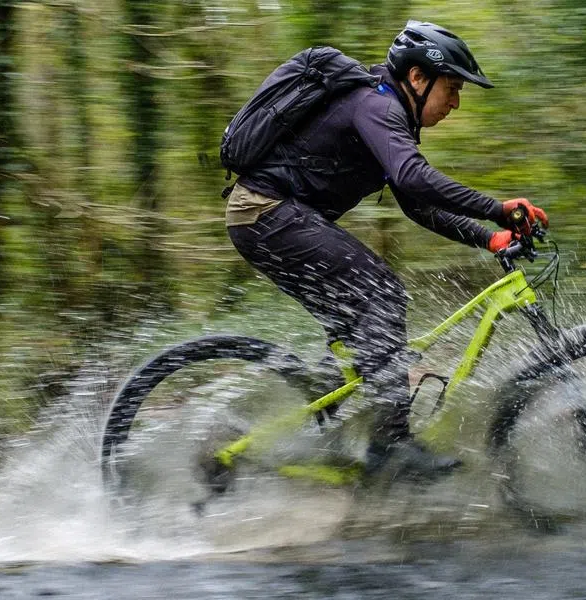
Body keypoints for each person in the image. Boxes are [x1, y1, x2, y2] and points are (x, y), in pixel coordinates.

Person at [226, 20, 549, 478]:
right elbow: (413, 176)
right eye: (452, 88)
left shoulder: (382, 112)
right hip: (267, 213)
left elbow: (418, 207)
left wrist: (490, 236)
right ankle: (390, 446)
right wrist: (499, 210)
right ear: (417, 78)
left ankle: (323, 430)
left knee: (359, 332)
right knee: (382, 295)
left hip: (268, 219)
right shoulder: (376, 106)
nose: (455, 103)